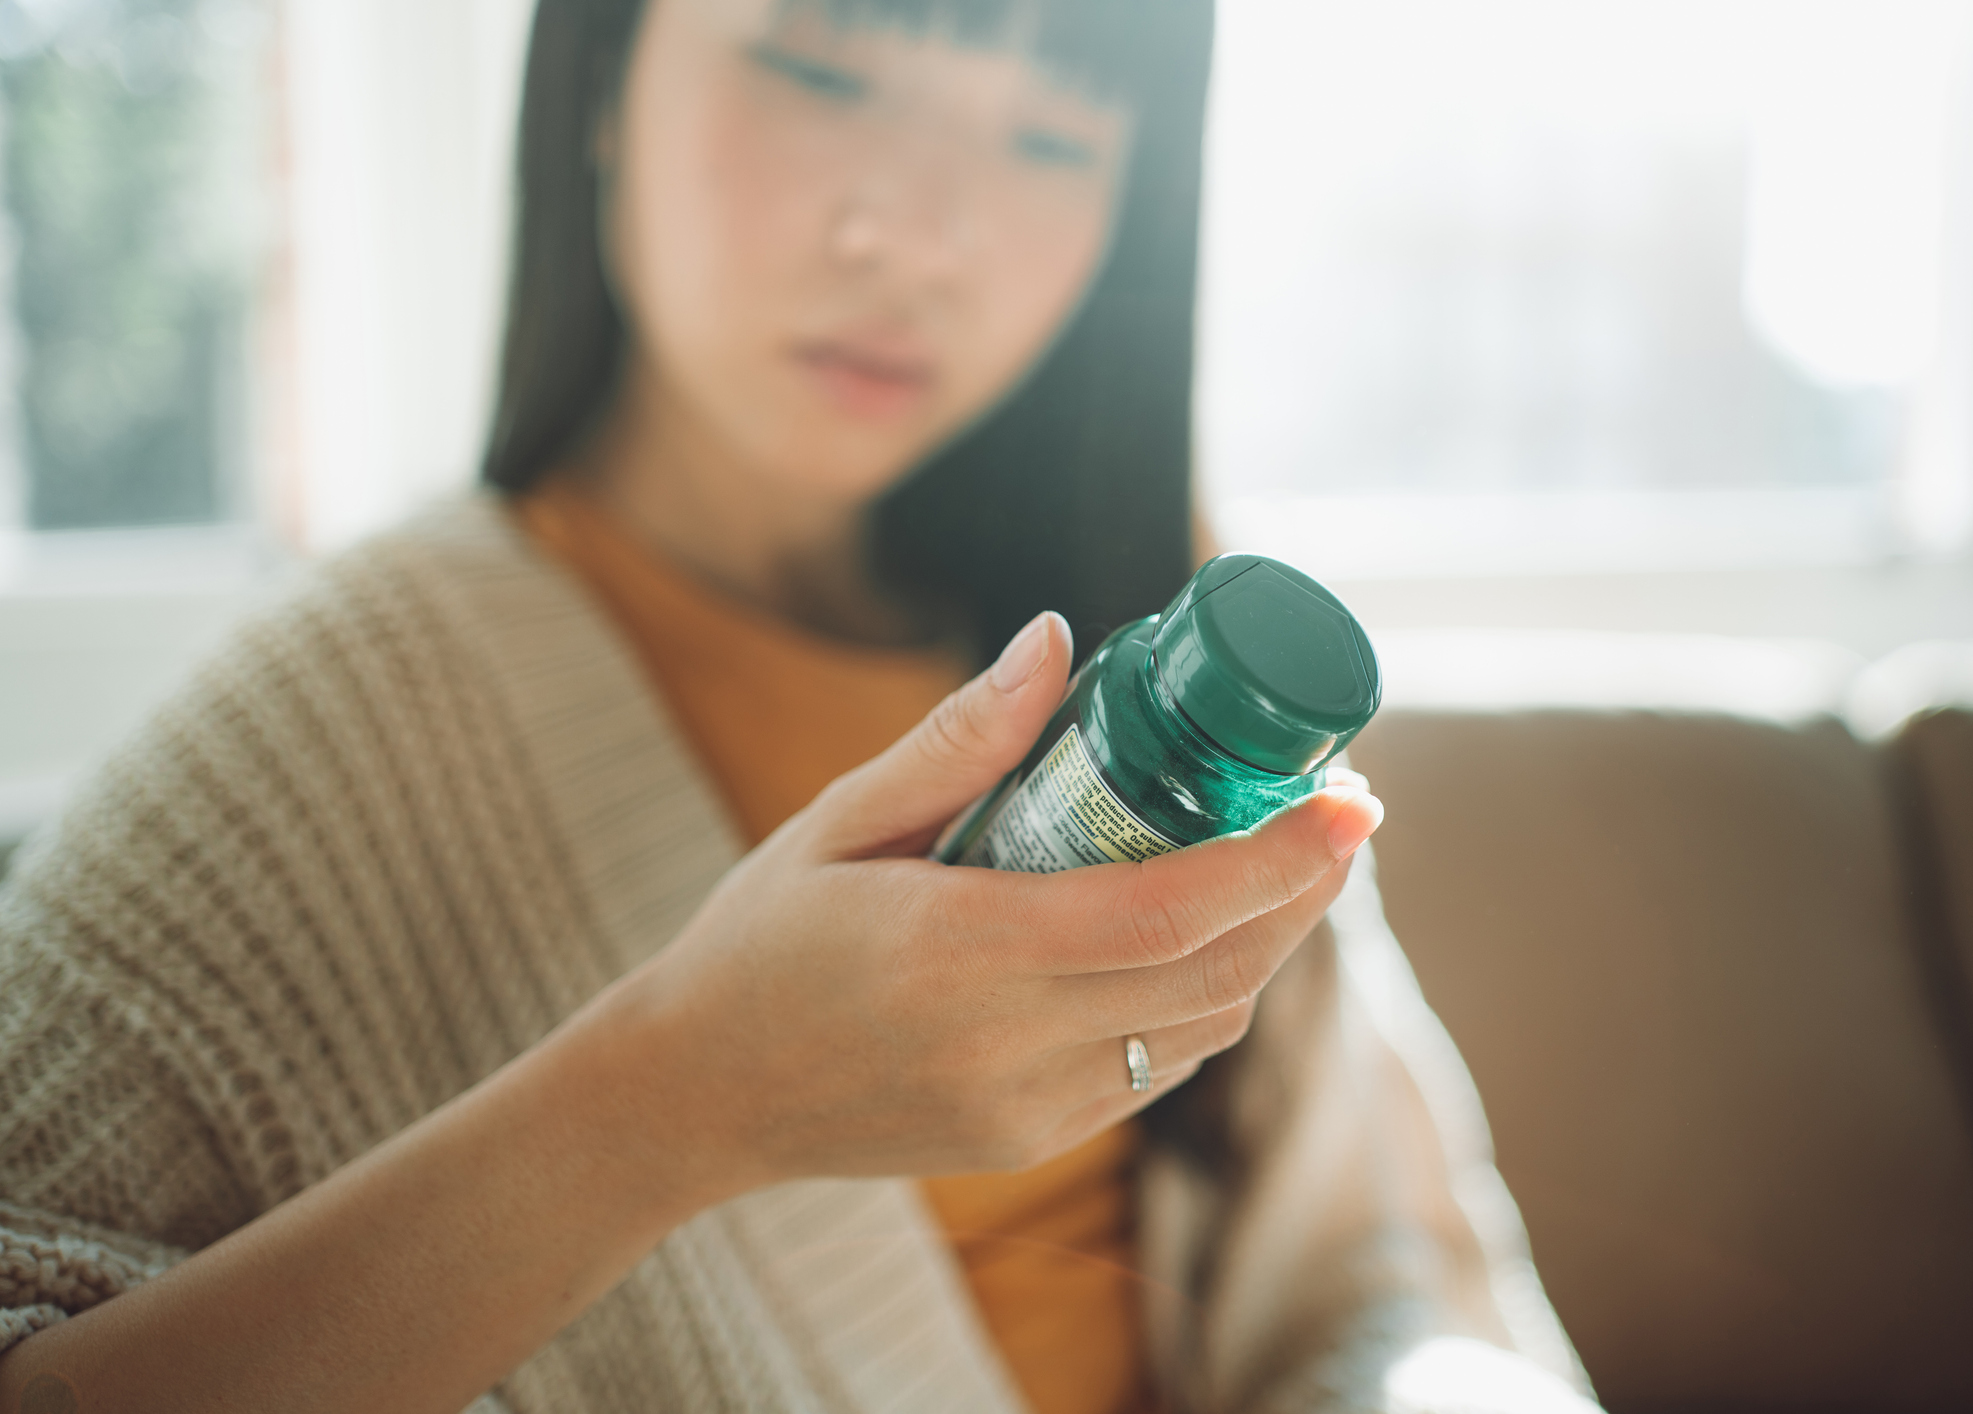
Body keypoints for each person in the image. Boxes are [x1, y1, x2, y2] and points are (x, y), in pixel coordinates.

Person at [0, 1, 1598, 1410]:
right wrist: (678, 1100)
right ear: (604, 69)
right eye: (825, 70)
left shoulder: (1157, 646)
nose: (925, 237)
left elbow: (1392, 1275)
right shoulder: (332, 718)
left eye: (1054, 134)